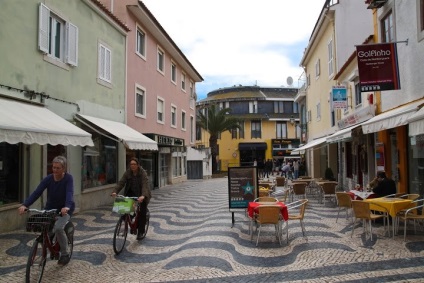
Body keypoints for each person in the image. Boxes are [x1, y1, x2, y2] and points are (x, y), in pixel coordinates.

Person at [18, 156, 74, 266]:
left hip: (65, 209)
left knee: (58, 228)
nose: (55, 170)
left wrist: (67, 206)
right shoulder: (48, 179)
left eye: (58, 168)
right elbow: (36, 193)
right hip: (50, 208)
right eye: (53, 167)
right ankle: (51, 243)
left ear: (64, 168)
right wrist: (25, 205)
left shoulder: (68, 178)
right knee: (44, 227)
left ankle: (64, 254)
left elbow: (69, 193)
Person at [112, 157, 151, 240]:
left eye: (134, 164)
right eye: (131, 164)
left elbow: (145, 185)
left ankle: (140, 232)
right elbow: (121, 182)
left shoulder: (142, 173)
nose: (132, 166)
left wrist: (143, 196)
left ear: (138, 165)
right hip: (131, 193)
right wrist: (115, 191)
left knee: (141, 213)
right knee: (126, 211)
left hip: (142, 194)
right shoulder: (128, 172)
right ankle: (126, 223)